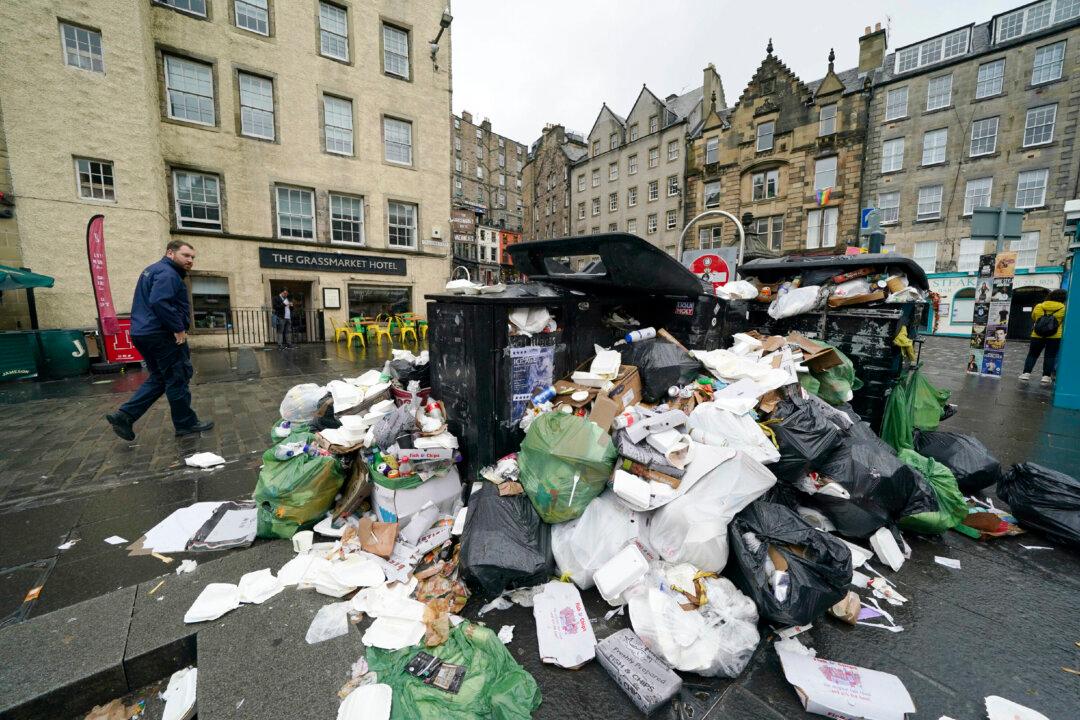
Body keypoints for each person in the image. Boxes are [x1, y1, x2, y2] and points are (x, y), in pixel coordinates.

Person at [105, 241, 213, 440]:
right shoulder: (168, 273)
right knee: (177, 377)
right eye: (186, 255)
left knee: (160, 378)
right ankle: (185, 424)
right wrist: (178, 328)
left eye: (192, 257)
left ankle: (125, 416)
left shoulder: (153, 270)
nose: (190, 260)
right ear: (170, 253)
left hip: (143, 333)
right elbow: (159, 301)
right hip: (162, 335)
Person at [1019, 288, 1066, 384]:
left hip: (1037, 335)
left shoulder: (1039, 306)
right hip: (1055, 336)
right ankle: (1046, 376)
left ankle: (1026, 374)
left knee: (1032, 354)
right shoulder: (1063, 308)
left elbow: (1033, 317)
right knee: (1050, 356)